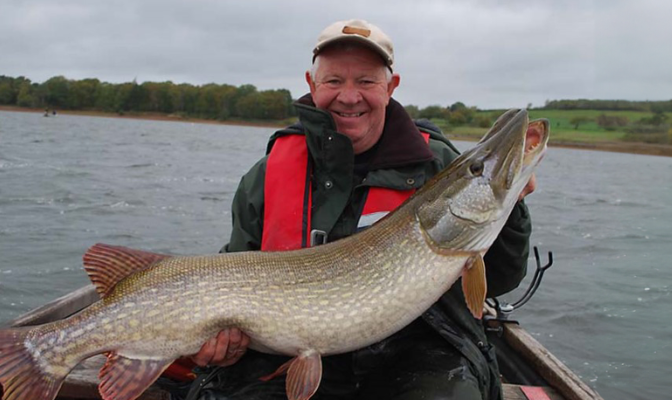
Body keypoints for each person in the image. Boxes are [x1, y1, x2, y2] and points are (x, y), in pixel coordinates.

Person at [187, 19, 534, 400]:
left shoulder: (435, 164)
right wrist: (225, 342)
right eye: (334, 81)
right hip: (284, 351)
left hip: (419, 353)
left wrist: (512, 206)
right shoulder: (266, 176)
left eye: (366, 81)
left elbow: (499, 279)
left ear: (390, 87)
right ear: (311, 84)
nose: (349, 97)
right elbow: (234, 270)